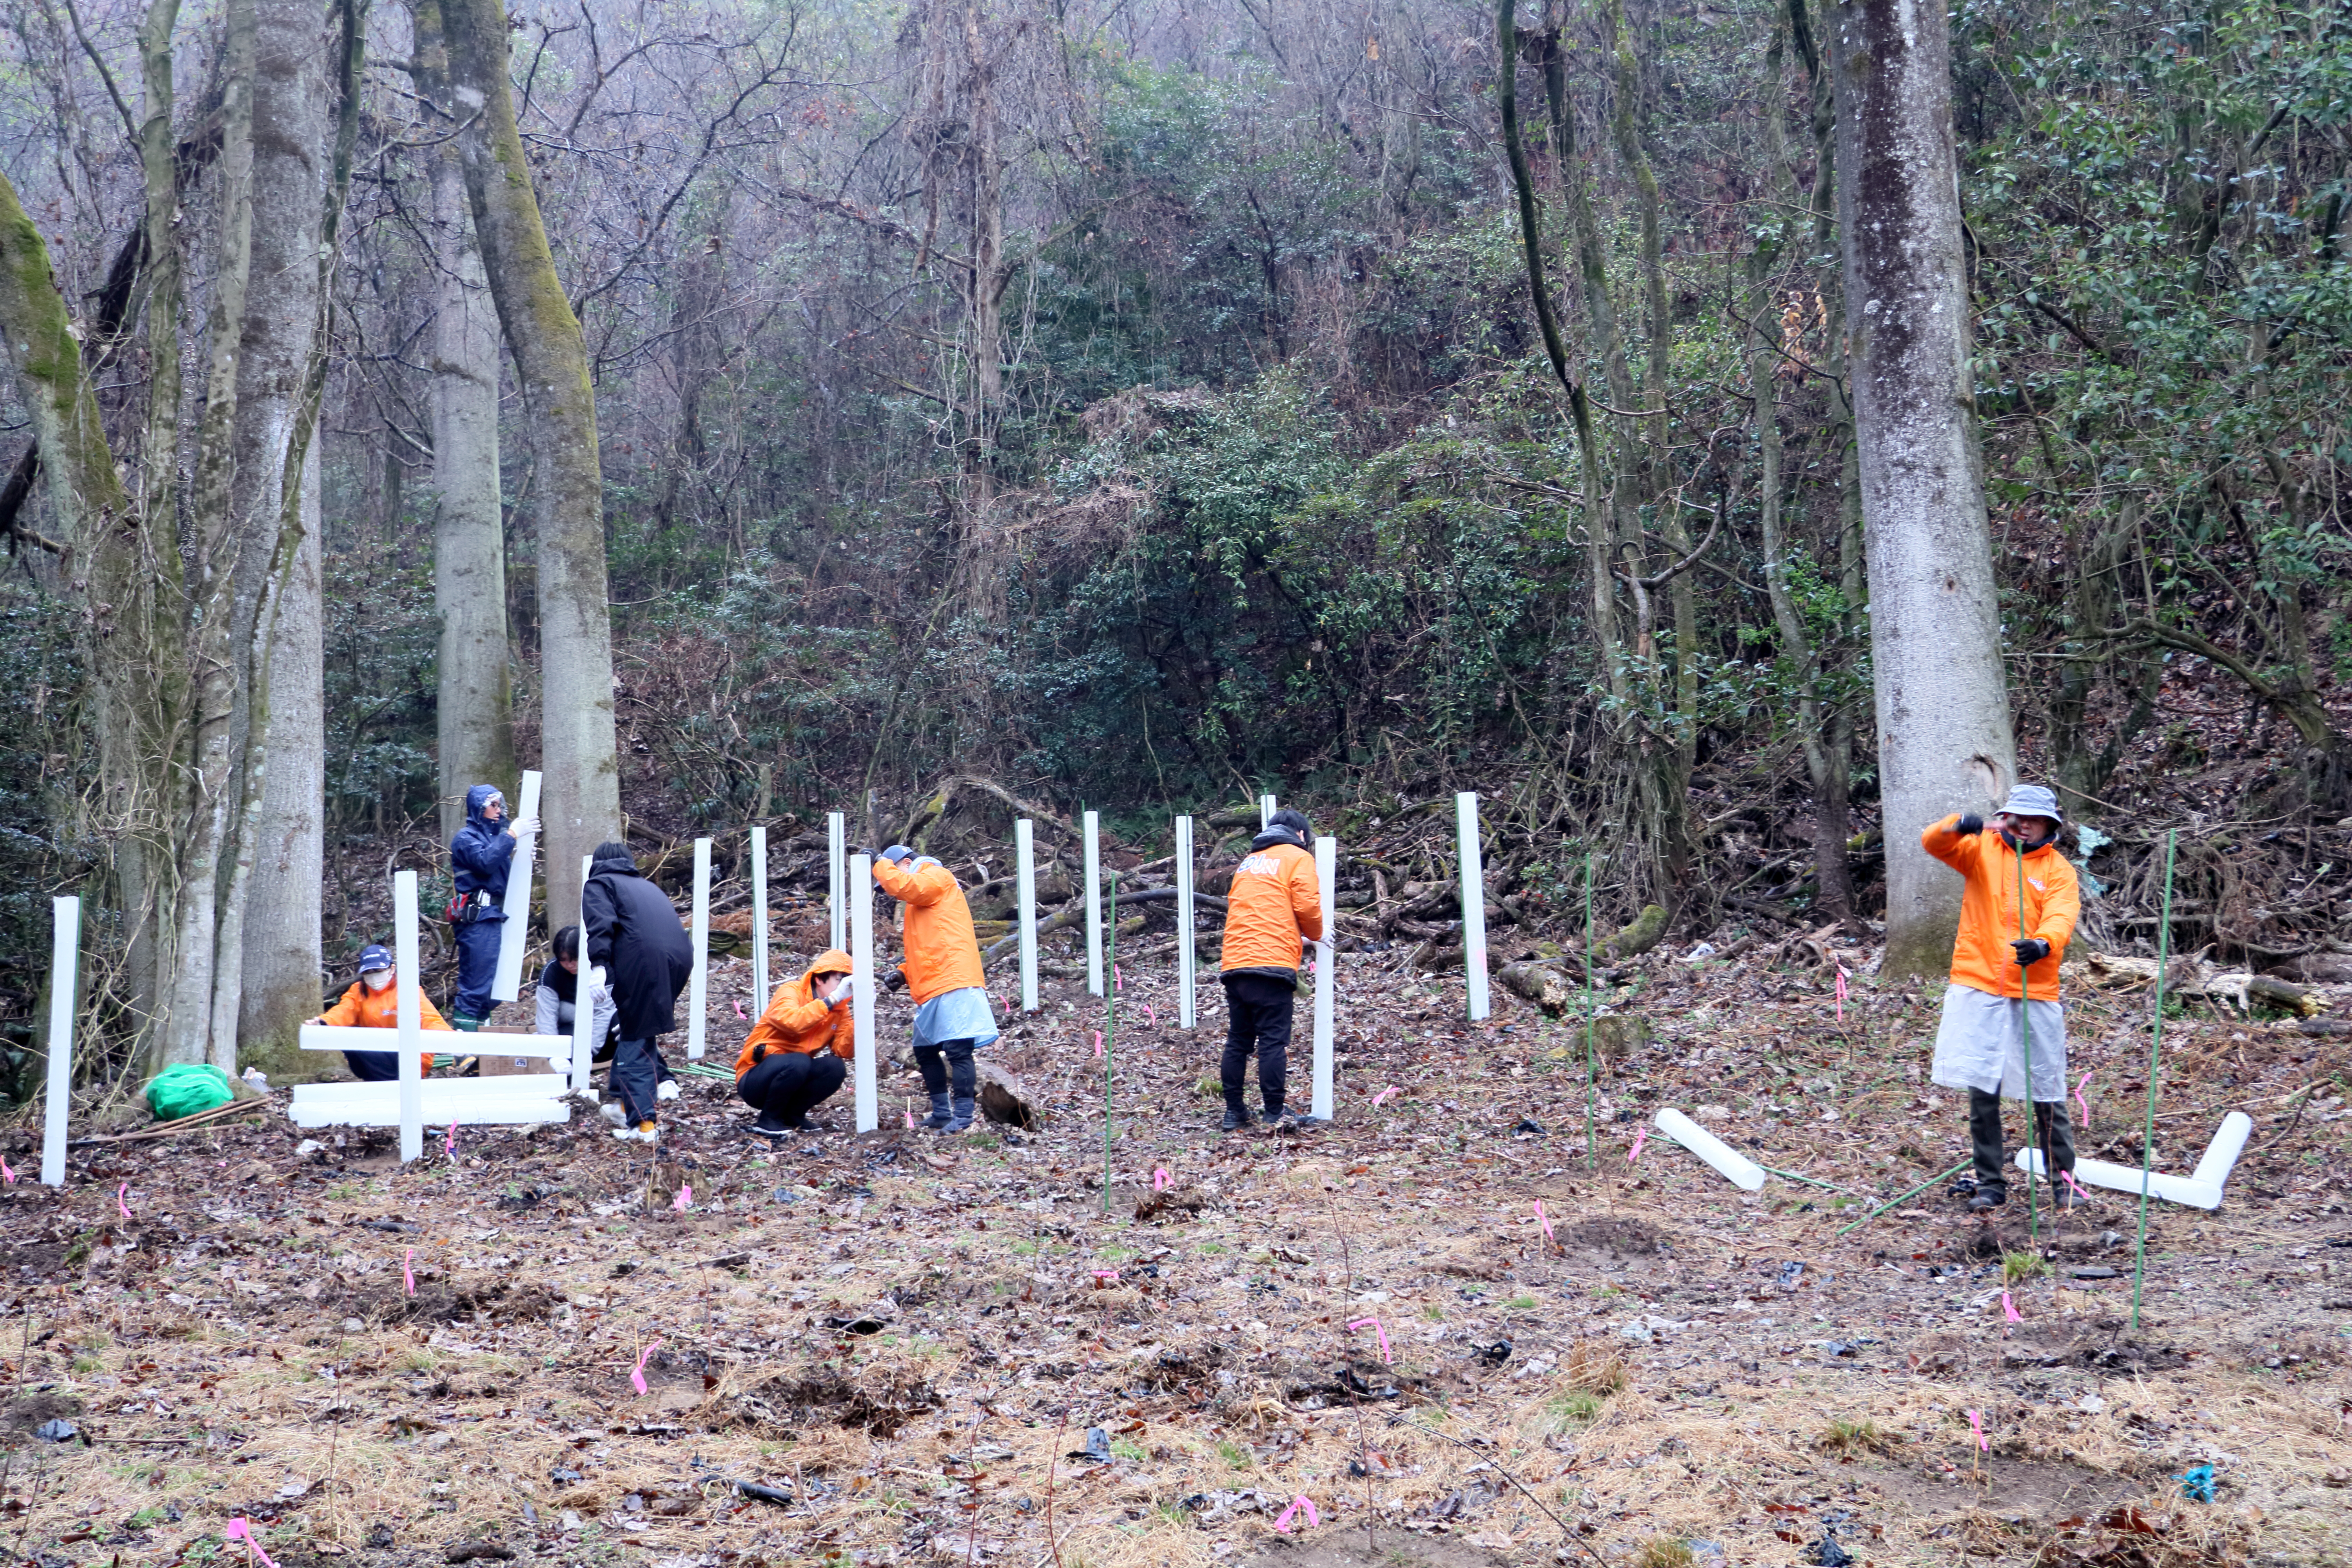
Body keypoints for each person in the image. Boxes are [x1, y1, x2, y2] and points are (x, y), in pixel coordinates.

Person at [1923, 784, 2082, 1213]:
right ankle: (1991, 1183)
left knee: (2047, 1088)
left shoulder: (2058, 869)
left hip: (2035, 987)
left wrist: (2044, 944)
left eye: (2034, 819)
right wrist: (1957, 824)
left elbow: (2062, 915)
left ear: (2050, 824)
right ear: (2007, 818)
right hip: (1978, 985)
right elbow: (1933, 842)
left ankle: (2063, 1183)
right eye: (2019, 816)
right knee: (1982, 1089)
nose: (2025, 825)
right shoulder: (1980, 850)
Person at [870, 846, 997, 1132]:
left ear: (905, 863)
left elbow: (907, 887)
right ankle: (942, 1113)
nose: (890, 890)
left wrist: (879, 864)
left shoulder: (936, 876)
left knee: (958, 1050)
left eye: (891, 875)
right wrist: (903, 973)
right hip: (936, 981)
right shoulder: (923, 893)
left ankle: (963, 1118)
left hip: (954, 978)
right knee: (925, 1051)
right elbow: (929, 945)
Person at [1218, 807, 1324, 1132]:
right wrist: (1317, 934)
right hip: (1272, 963)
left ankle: (1235, 1112)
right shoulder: (1297, 856)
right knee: (1272, 1042)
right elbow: (1307, 905)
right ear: (1301, 834)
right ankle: (1275, 1112)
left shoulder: (1248, 863)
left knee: (1239, 1041)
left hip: (1236, 963)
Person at [581, 841, 695, 1143]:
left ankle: (643, 1125)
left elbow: (600, 923)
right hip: (680, 960)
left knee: (634, 1039)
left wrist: (599, 965)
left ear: (598, 863)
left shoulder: (600, 883)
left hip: (645, 962)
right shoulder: (646, 887)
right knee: (636, 1029)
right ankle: (621, 1103)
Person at [535, 924, 679, 1102]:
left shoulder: (604, 969)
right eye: (564, 960)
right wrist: (554, 1053)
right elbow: (546, 1017)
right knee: (562, 1028)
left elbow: (604, 1013)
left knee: (628, 1022)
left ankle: (664, 1080)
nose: (570, 965)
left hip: (603, 1040)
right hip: (569, 1040)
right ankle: (570, 1084)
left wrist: (587, 1051)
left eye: (575, 959)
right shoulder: (550, 974)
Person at [735, 949, 856, 1135]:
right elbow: (793, 1022)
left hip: (793, 1075)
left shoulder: (840, 1010)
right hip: (755, 1078)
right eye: (840, 981)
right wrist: (830, 1001)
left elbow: (844, 1051)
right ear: (819, 979)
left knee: (834, 1067)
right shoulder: (791, 991)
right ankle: (769, 1119)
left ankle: (793, 1115)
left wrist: (864, 1015)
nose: (844, 989)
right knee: (799, 1061)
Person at [447, 784, 537, 1029]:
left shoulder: (497, 840)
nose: (498, 810)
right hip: (478, 918)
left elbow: (506, 880)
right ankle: (463, 1047)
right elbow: (485, 862)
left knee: (497, 987)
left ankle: (481, 1047)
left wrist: (522, 859)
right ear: (479, 809)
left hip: (498, 916)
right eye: (492, 806)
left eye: (499, 805)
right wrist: (511, 837)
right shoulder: (465, 839)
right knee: (476, 985)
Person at [311, 944, 452, 1080]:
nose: (373, 977)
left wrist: (449, 1040)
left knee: (362, 1043)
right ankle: (375, 1081)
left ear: (392, 970)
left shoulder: (406, 989)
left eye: (378, 972)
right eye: (368, 973)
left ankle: (391, 1083)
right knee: (351, 1039)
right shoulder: (358, 990)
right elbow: (343, 1011)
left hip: (409, 1059)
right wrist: (323, 1023)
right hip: (373, 1055)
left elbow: (428, 1017)